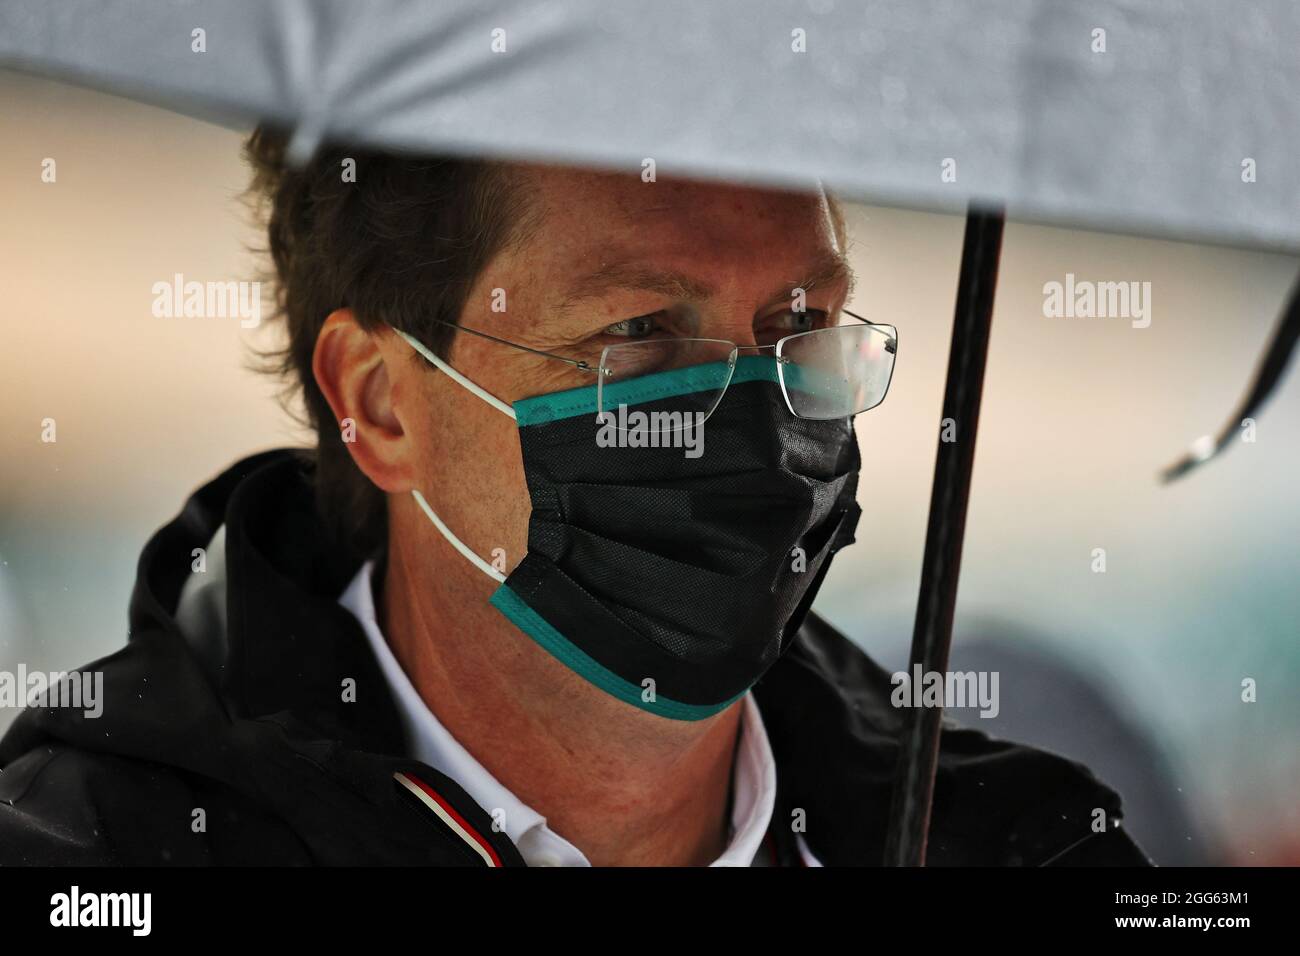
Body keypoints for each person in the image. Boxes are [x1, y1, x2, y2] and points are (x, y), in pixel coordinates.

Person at [0, 128, 1150, 866]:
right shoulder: (90, 855)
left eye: (797, 324)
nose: (749, 410)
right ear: (383, 402)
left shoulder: (1029, 848)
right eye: (639, 333)